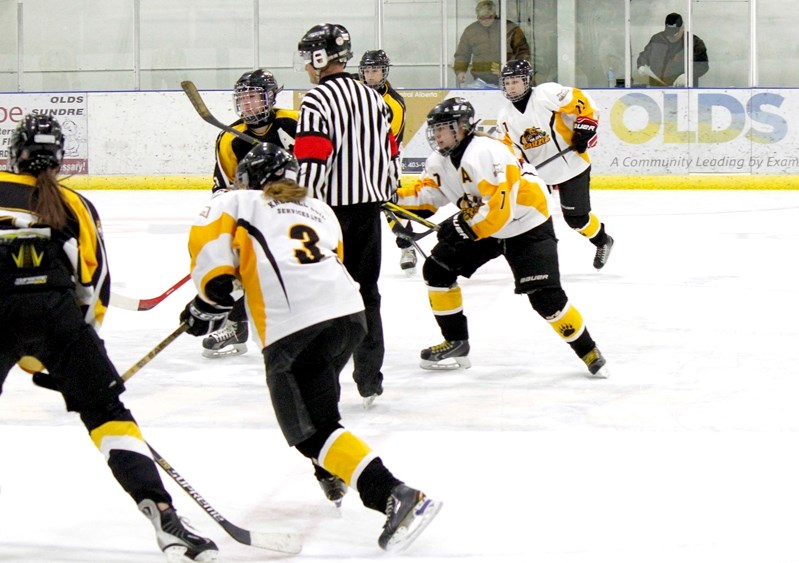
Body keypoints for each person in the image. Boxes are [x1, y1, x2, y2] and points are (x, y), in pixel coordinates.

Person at [179, 142, 442, 552]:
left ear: (249, 179)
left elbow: (211, 261)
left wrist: (206, 302)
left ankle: (395, 494)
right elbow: (321, 257)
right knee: (318, 406)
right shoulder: (319, 209)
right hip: (349, 315)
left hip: (293, 326)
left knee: (309, 431)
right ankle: (331, 468)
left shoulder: (234, 201)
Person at [0, 114, 218, 562]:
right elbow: (93, 285)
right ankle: (163, 513)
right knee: (107, 414)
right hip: (59, 319)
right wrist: (74, 354)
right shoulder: (74, 204)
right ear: (59, 160)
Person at [396, 97, 609, 378]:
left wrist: (461, 226)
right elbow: (429, 196)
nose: (436, 135)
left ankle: (588, 350)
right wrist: (389, 196)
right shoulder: (439, 161)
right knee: (437, 270)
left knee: (546, 300)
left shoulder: (487, 153)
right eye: (434, 129)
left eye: (443, 128)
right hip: (484, 225)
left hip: (527, 224)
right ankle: (457, 342)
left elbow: (500, 210)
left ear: (462, 128)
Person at [294, 23, 401, 408]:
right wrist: (385, 193)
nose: (306, 64)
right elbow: (391, 155)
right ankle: (370, 378)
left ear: (321, 58)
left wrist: (299, 208)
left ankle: (324, 382)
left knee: (327, 299)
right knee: (367, 294)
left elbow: (312, 161)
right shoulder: (373, 98)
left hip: (331, 217)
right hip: (369, 214)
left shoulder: (316, 100)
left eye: (308, 56)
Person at [203, 68, 298, 359]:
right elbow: (222, 188)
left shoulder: (294, 122)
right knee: (237, 258)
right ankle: (236, 324)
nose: (248, 106)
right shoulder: (229, 138)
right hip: (259, 215)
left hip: (302, 207)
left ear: (270, 98)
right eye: (243, 100)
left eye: (254, 98)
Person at [496, 59, 614, 270]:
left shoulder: (546, 94)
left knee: (577, 219)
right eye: (507, 82)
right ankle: (533, 258)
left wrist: (584, 129)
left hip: (572, 165)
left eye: (516, 81)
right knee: (526, 216)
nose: (511, 86)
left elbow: (582, 101)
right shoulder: (504, 118)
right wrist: (515, 171)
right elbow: (509, 152)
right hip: (539, 176)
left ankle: (602, 240)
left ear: (527, 81)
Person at [357, 49, 415, 275]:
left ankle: (406, 246)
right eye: (367, 70)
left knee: (392, 205)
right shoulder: (355, 89)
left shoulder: (394, 103)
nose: (371, 76)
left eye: (376, 71)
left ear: (385, 72)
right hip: (355, 159)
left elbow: (385, 141)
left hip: (384, 160)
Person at [453, 0, 531, 88]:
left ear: (494, 15)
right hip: (480, 81)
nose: (485, 21)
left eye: (489, 17)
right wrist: (460, 71)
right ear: (477, 16)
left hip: (509, 80)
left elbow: (523, 52)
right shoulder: (470, 31)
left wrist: (512, 70)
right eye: (482, 18)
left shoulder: (509, 28)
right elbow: (462, 53)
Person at [637, 12, 709, 87]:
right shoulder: (657, 39)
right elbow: (644, 55)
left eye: (674, 34)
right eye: (668, 34)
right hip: (657, 89)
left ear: (682, 28)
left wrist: (688, 75)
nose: (670, 37)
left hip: (683, 90)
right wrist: (642, 65)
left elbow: (702, 65)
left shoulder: (694, 42)